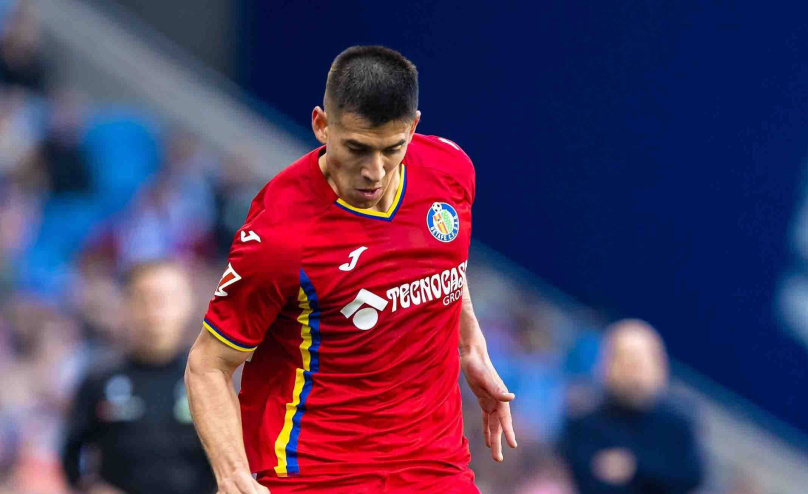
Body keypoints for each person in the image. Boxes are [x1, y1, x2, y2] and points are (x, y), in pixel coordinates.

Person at [185, 45, 517, 494]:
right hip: (317, 474)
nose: (374, 171)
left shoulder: (450, 170)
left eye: (392, 149)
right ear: (321, 124)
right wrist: (233, 476)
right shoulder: (280, 234)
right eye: (357, 149)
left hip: (436, 467)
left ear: (414, 128)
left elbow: (445, 262)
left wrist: (470, 344)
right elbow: (208, 364)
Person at [62, 261, 216, 494]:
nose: (156, 311)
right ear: (126, 305)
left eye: (167, 299)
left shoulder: (210, 381)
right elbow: (70, 455)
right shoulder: (99, 379)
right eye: (145, 299)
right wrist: (91, 488)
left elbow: (235, 459)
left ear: (188, 304)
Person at [559, 319, 704, 494]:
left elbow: (690, 477)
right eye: (625, 360)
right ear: (606, 364)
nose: (634, 372)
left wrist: (634, 469)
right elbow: (578, 473)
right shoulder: (584, 421)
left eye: (641, 361)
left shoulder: (677, 423)